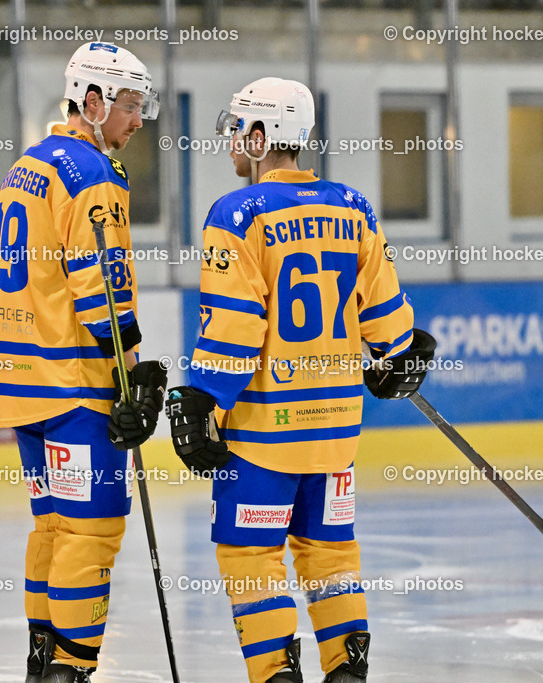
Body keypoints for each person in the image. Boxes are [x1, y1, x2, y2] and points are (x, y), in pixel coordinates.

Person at [165, 77, 436, 683]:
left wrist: (205, 397)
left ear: (262, 137)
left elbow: (235, 325)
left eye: (238, 128)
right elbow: (387, 318)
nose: (230, 140)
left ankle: (277, 673)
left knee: (252, 555)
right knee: (331, 553)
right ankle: (345, 670)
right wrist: (400, 354)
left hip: (265, 433)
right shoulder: (353, 207)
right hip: (335, 432)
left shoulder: (236, 215)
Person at [0, 42, 167, 683]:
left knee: (51, 529)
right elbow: (101, 281)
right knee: (89, 533)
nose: (138, 119)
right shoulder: (92, 172)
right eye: (129, 104)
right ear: (91, 101)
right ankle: (68, 670)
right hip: (76, 386)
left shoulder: (25, 167)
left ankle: (43, 664)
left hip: (25, 385)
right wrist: (133, 374)